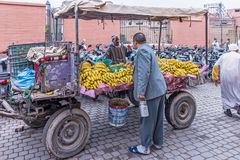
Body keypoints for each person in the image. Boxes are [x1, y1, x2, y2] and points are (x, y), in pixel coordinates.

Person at [128, 32, 167, 155]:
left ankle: (145, 147)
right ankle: (158, 143)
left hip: (151, 91)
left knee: (147, 120)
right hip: (159, 90)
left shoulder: (142, 51)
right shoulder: (148, 49)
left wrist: (141, 91)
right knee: (158, 119)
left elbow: (144, 73)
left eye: (132, 42)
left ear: (135, 42)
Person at [212, 43, 240, 117]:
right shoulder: (238, 56)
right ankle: (239, 107)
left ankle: (227, 110)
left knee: (225, 93)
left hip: (224, 77)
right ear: (237, 49)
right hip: (236, 77)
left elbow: (215, 66)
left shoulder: (223, 56)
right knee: (237, 92)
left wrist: (215, 78)